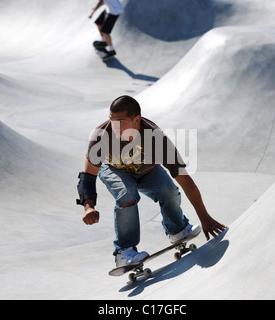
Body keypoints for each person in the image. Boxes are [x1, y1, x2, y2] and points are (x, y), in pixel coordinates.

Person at [77, 96, 227, 267]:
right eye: (112, 120)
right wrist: (88, 206)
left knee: (168, 190)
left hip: (148, 171)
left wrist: (205, 217)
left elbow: (186, 181)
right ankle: (124, 251)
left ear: (137, 120)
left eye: (121, 122)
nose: (115, 127)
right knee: (127, 193)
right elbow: (88, 176)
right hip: (114, 169)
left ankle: (177, 230)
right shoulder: (101, 136)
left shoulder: (156, 138)